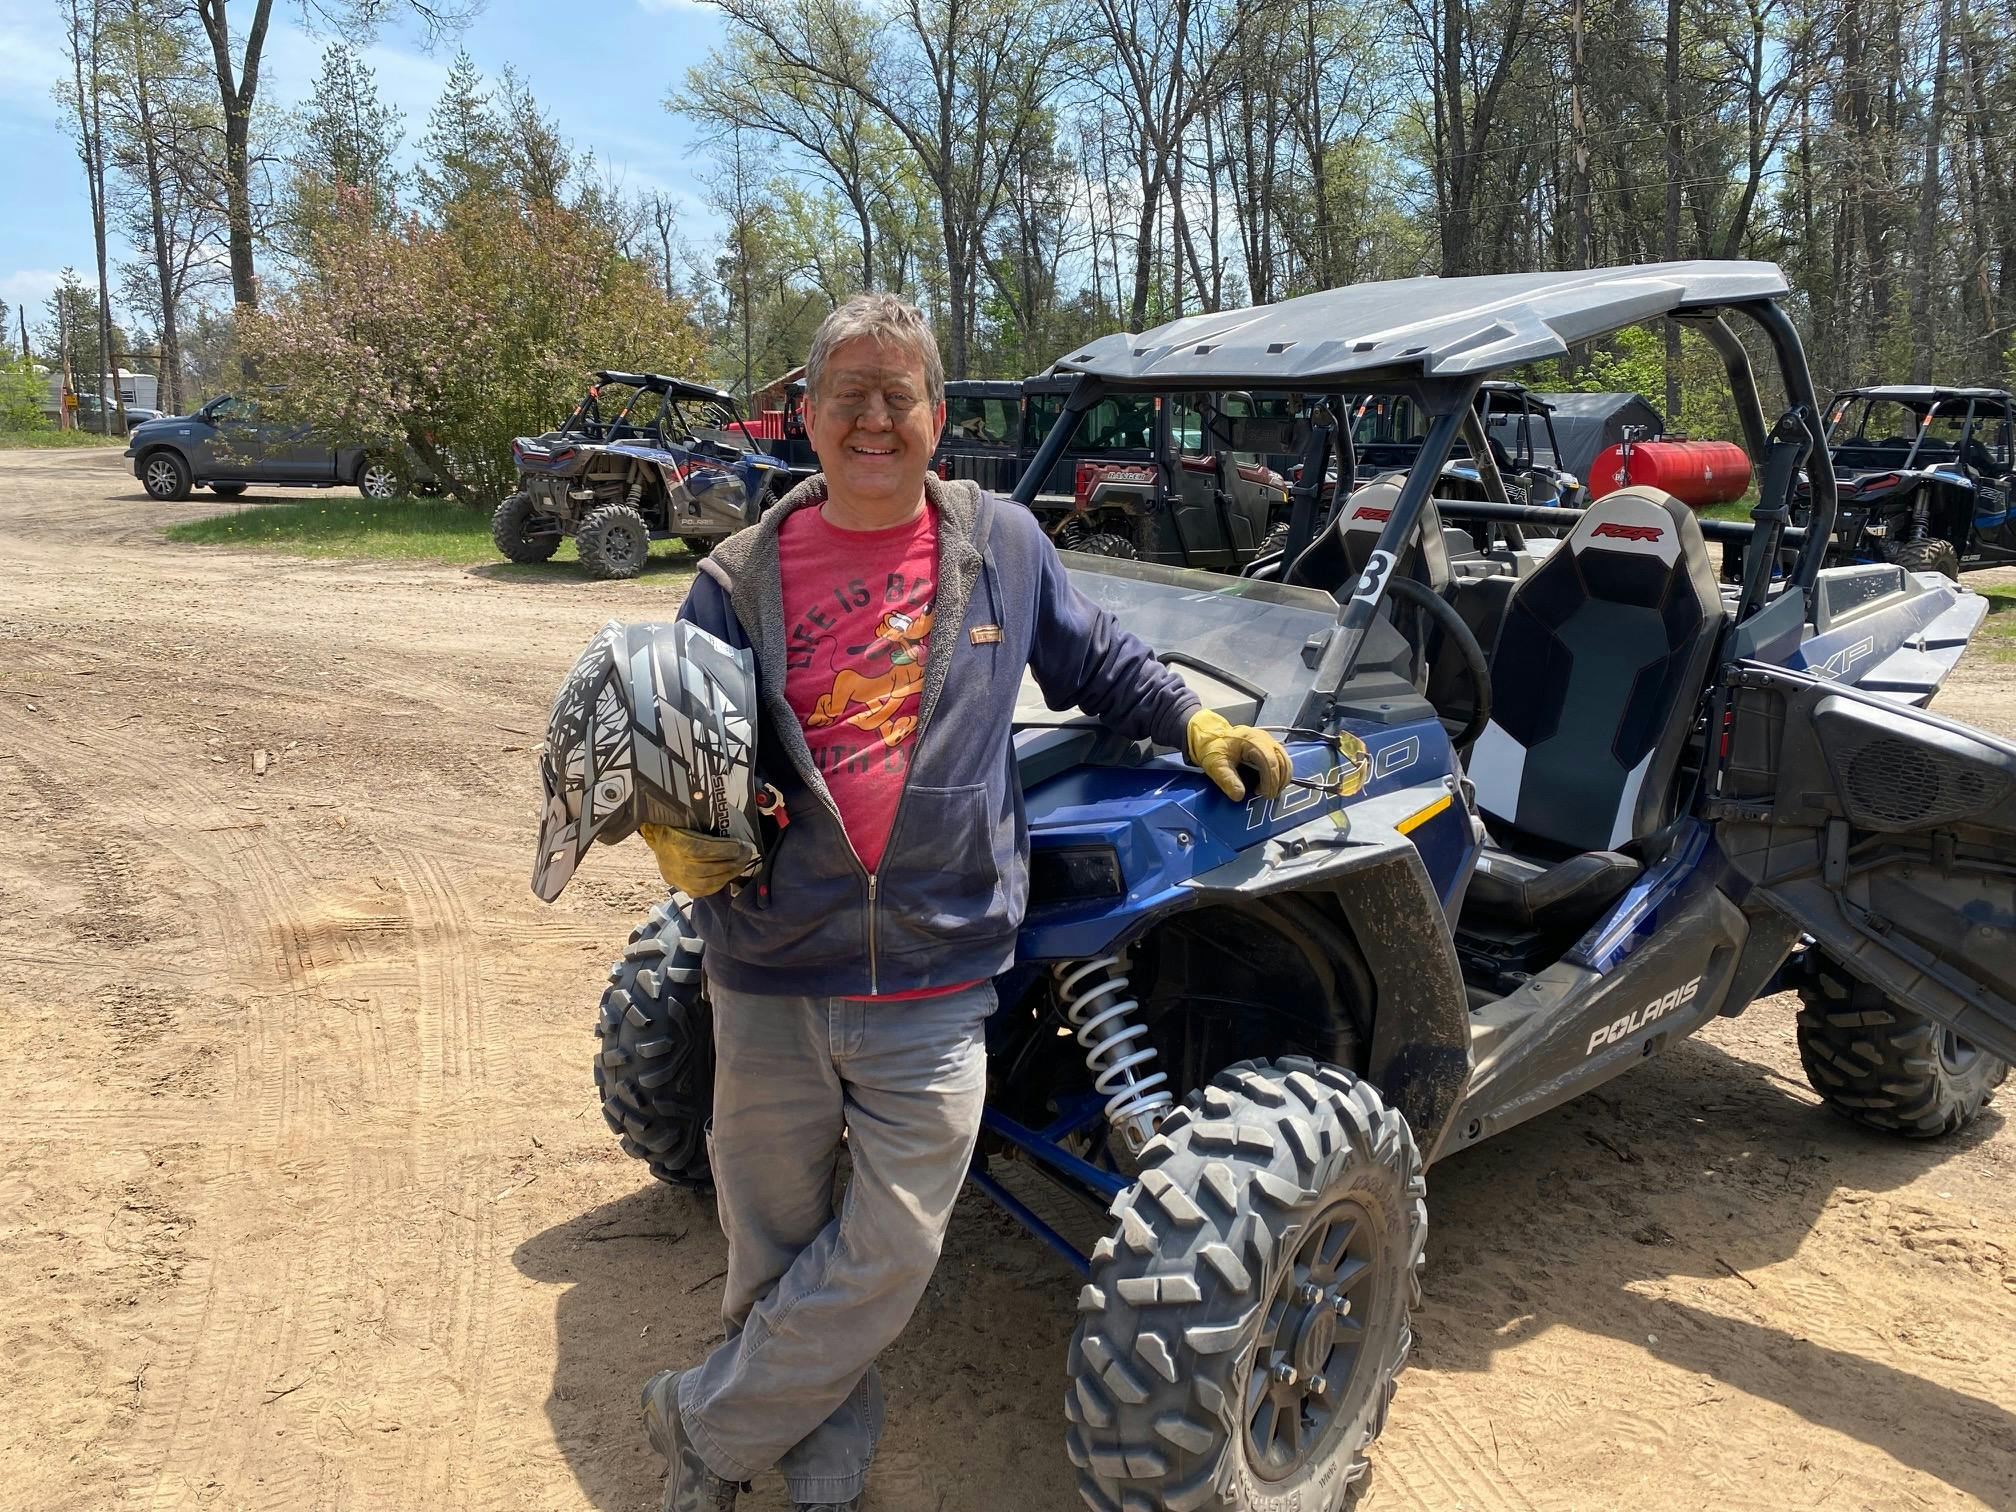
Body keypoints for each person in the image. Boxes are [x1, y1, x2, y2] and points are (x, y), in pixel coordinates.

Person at [634, 292, 1291, 1512]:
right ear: (807, 417)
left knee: (891, 1248)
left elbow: (1102, 663)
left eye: (899, 395)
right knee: (774, 1247)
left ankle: (705, 1428)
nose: (874, 419)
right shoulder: (734, 580)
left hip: (935, 971)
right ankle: (820, 1475)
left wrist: (1197, 725)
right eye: (849, 396)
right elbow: (684, 757)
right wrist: (680, 828)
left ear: (938, 417)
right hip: (772, 969)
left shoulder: (1005, 546)